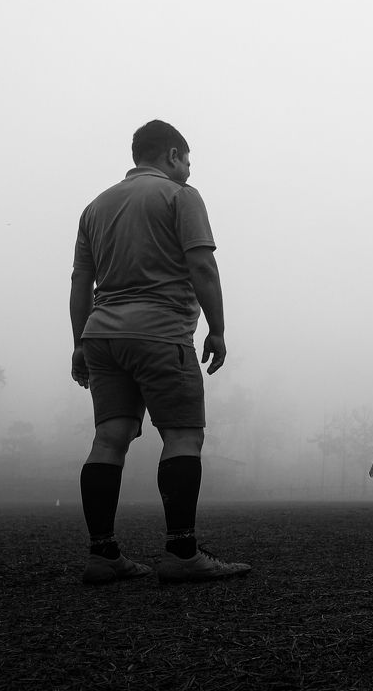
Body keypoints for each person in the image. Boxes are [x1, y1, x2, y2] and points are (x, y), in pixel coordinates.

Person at [71, 119, 251, 584]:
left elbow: (80, 282)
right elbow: (202, 265)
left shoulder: (94, 207)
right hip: (160, 333)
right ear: (172, 155)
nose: (189, 169)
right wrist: (217, 329)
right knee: (183, 436)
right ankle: (182, 553)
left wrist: (78, 344)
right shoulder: (180, 196)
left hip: (101, 336)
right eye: (187, 160)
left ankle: (103, 555)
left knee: (109, 438)